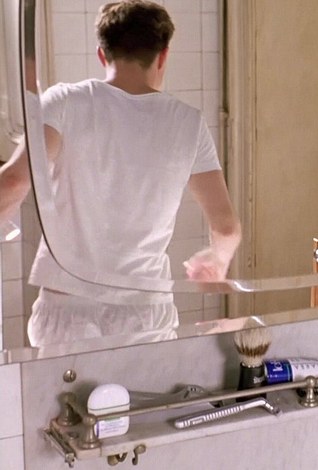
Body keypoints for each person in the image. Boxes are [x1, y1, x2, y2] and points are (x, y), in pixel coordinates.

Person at [0, 0, 241, 347]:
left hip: (68, 309)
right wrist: (216, 260)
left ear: (102, 54)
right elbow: (226, 227)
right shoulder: (189, 123)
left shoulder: (64, 102)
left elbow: (14, 182)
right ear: (163, 56)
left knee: (65, 386)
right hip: (144, 312)